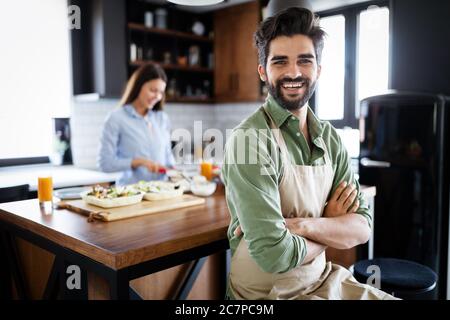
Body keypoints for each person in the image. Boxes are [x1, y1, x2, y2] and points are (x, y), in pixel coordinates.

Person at [221, 7, 397, 300]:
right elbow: (274, 255)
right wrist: (330, 227)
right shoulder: (248, 141)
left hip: (323, 282)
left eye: (305, 60)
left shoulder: (330, 139)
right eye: (280, 62)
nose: (293, 72)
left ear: (318, 70)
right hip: (264, 295)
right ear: (263, 70)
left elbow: (362, 227)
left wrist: (302, 225)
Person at [98, 63, 175, 185]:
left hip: (161, 192)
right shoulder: (116, 118)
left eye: (161, 92)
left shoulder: (162, 118)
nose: (158, 96)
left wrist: (175, 170)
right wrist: (138, 162)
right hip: (131, 195)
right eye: (153, 90)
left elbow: (168, 157)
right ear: (139, 86)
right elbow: (105, 164)